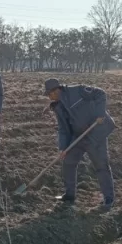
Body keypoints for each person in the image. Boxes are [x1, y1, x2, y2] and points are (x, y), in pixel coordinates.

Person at [44, 78, 116, 207]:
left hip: (95, 134)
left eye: (49, 94)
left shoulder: (78, 91)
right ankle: (69, 194)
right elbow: (62, 129)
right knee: (68, 162)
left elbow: (101, 93)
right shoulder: (58, 107)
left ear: (56, 90)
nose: (49, 97)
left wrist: (100, 114)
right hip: (77, 137)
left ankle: (109, 198)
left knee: (101, 166)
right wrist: (63, 147)